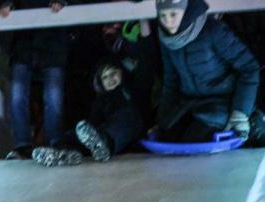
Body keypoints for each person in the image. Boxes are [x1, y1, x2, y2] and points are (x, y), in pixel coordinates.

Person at [154, 0, 261, 144]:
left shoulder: (212, 30)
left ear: (186, 12)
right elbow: (170, 82)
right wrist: (162, 122)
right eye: (163, 16)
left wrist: (240, 114)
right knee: (169, 137)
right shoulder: (166, 41)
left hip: (223, 101)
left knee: (195, 138)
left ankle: (255, 122)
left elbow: (249, 67)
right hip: (191, 104)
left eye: (173, 14)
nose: (168, 21)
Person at [32, 59, 144, 166]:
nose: (110, 79)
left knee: (129, 116)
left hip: (124, 136)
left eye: (113, 73)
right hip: (101, 136)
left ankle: (104, 143)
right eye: (105, 77)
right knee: (77, 132)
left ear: (122, 72)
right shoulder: (100, 102)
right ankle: (65, 153)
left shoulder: (130, 90)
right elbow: (93, 125)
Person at [0, 0, 72, 160]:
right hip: (24, 45)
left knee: (53, 96)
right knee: (17, 96)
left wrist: (62, 3)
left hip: (53, 44)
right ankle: (22, 146)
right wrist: (7, 4)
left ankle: (55, 143)